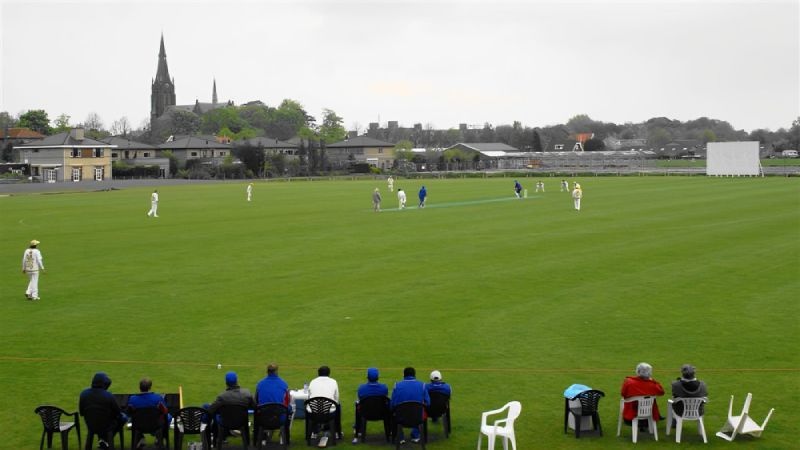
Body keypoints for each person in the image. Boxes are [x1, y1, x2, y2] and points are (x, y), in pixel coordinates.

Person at [79, 372, 128, 449]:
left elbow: (81, 413)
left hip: (90, 425)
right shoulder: (108, 395)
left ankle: (103, 439)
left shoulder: (83, 394)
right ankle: (105, 439)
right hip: (106, 426)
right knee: (124, 417)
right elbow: (117, 413)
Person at [207, 372, 255, 444]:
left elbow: (210, 410)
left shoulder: (222, 396)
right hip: (242, 422)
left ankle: (214, 438)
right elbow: (255, 406)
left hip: (225, 423)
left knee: (209, 409)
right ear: (237, 381)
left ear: (226, 382)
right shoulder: (246, 393)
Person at [390, 367, 430, 444]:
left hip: (401, 418)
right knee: (419, 410)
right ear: (414, 375)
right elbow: (428, 403)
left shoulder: (397, 385)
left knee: (393, 412)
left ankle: (400, 437)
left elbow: (393, 404)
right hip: (418, 418)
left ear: (404, 375)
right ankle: (415, 435)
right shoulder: (422, 385)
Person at [127, 378, 170, 449]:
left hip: (139, 425)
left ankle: (142, 438)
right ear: (150, 387)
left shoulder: (132, 399)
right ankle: (159, 438)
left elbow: (129, 413)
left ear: (139, 387)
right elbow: (165, 411)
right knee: (168, 417)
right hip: (155, 425)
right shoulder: (157, 398)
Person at [255, 363, 292, 444]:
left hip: (263, 418)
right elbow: (287, 403)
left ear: (267, 372)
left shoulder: (260, 384)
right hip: (279, 419)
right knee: (290, 409)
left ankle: (262, 436)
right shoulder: (283, 384)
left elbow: (256, 401)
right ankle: (284, 437)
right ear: (276, 372)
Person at [621, 362, 665, 429]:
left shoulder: (629, 382)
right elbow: (661, 392)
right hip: (649, 417)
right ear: (650, 373)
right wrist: (653, 381)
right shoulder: (652, 385)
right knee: (650, 398)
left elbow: (623, 394)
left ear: (638, 371)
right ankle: (657, 416)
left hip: (630, 417)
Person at [352, 367, 389, 444]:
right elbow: (385, 398)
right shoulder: (384, 388)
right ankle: (390, 430)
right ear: (378, 377)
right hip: (382, 413)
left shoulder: (361, 388)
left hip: (366, 413)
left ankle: (357, 429)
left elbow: (360, 399)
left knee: (357, 405)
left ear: (367, 377)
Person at [308, 365, 341, 446]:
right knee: (338, 406)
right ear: (329, 373)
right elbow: (337, 399)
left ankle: (313, 432)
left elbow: (309, 397)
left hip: (314, 413)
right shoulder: (333, 381)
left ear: (318, 373)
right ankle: (337, 432)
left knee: (309, 409)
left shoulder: (313, 381)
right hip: (329, 414)